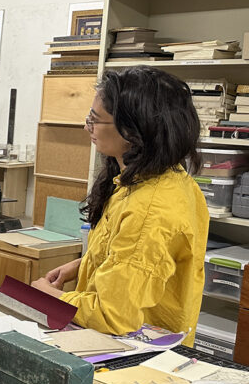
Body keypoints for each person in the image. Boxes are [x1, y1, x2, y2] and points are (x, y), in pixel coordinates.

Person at [32, 66, 208, 340]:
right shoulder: (163, 179)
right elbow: (138, 257)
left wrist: (47, 296)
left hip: (136, 351)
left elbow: (111, 315)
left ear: (132, 130)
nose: (86, 127)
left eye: (95, 119)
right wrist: (82, 265)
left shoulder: (149, 208)